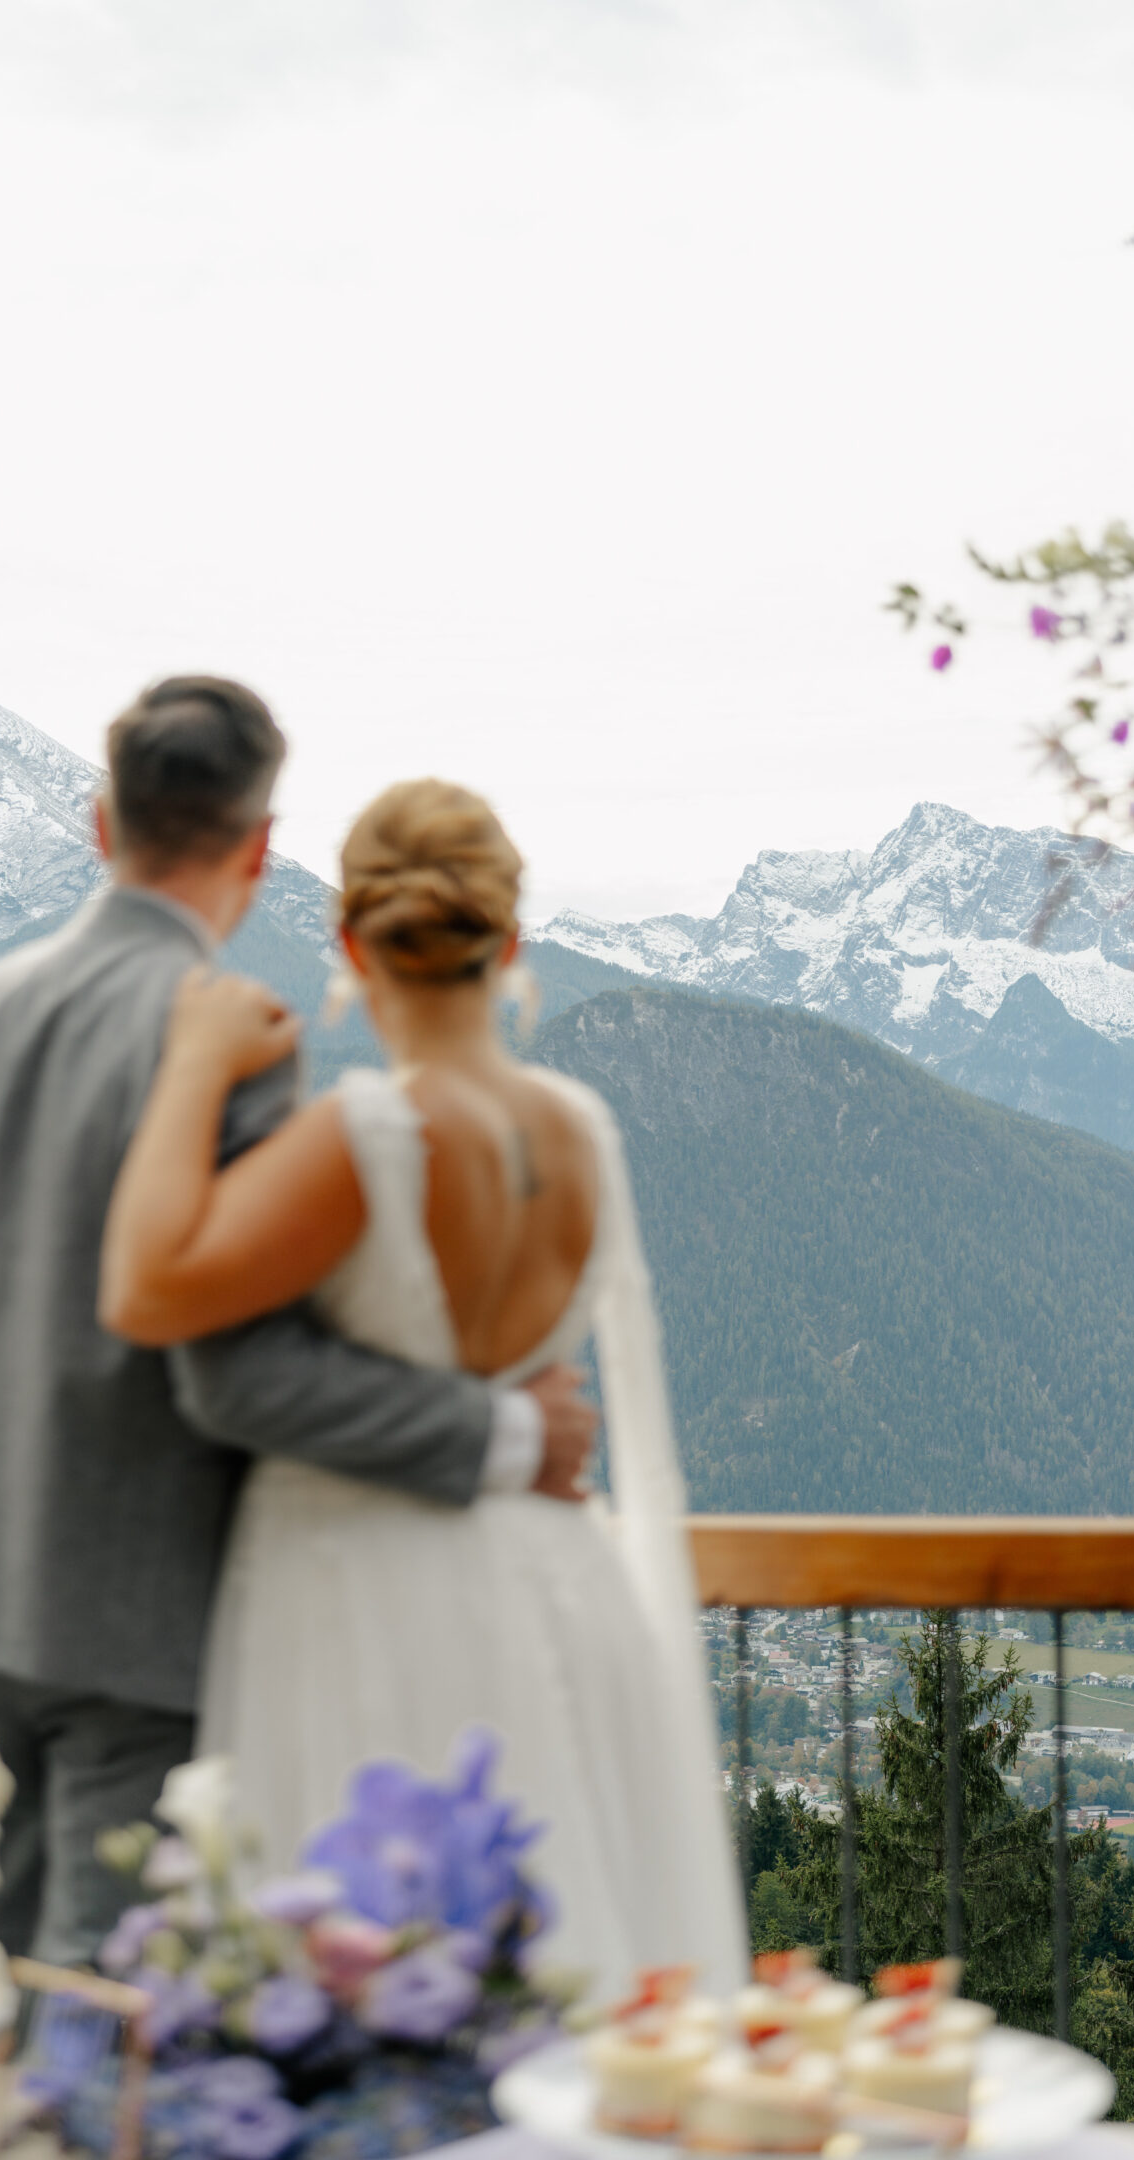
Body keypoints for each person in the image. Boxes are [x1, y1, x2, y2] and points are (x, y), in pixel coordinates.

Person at [0, 682, 596, 1967]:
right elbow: (239, 1370)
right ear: (263, 847)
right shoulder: (236, 1042)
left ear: (102, 822)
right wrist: (497, 1430)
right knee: (99, 2036)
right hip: (137, 1618)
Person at [100, 776, 746, 1998]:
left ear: (349, 940)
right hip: (563, 1575)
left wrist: (192, 1066)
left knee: (360, 1965)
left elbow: (147, 1285)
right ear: (511, 942)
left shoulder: (369, 1133)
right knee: (564, 1962)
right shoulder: (580, 1124)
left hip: (368, 1588)